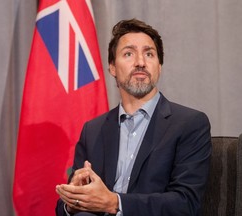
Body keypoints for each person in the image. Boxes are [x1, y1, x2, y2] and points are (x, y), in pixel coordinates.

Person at [55, 18, 212, 216]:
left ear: (159, 67)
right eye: (128, 54)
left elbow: (186, 203)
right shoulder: (93, 130)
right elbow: (64, 209)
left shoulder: (189, 124)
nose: (140, 62)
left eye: (149, 54)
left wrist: (114, 202)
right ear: (112, 67)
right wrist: (74, 200)